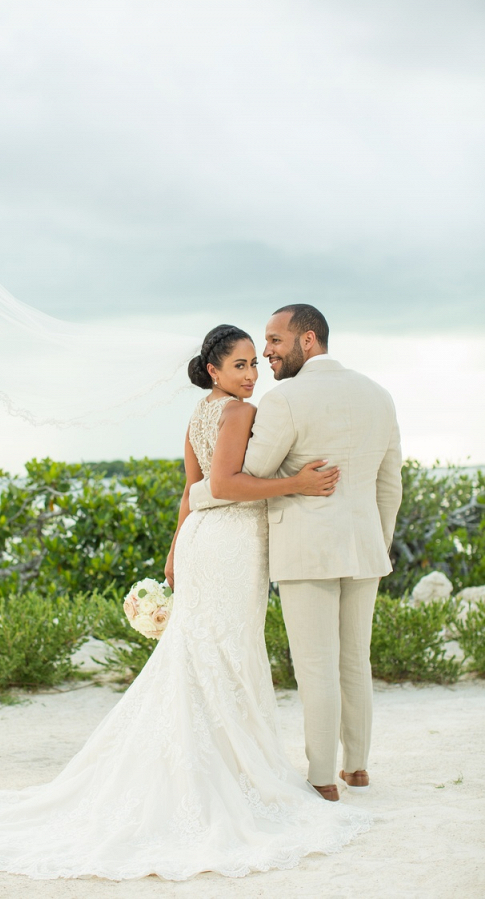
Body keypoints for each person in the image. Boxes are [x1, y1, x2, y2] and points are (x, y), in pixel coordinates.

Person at [0, 323, 371, 881]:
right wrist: (297, 485)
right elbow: (226, 485)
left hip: (205, 542)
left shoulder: (198, 415)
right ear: (213, 370)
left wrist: (175, 549)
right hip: (231, 543)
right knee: (227, 652)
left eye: (256, 363)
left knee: (203, 652)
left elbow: (191, 490)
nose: (252, 374)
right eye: (240, 366)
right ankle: (232, 776)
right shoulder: (237, 414)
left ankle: (210, 766)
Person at [189, 307, 403, 802]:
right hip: (366, 547)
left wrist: (198, 495)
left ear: (308, 339)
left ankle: (323, 778)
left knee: (316, 664)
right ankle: (358, 768)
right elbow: (389, 483)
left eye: (274, 340)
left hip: (307, 551)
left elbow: (247, 476)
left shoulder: (284, 400)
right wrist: (378, 541)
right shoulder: (380, 395)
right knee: (355, 659)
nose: (266, 352)